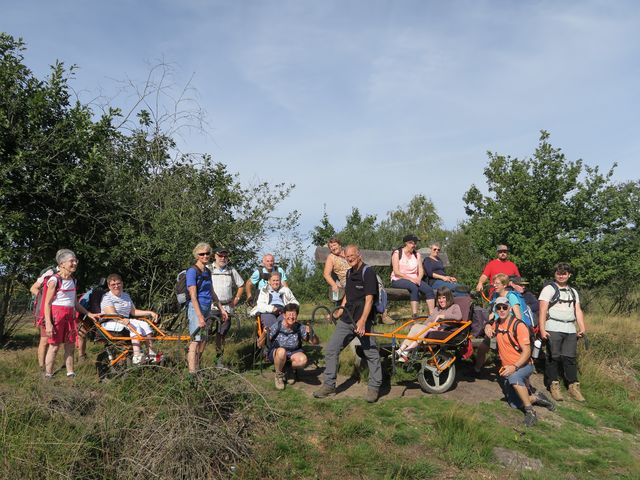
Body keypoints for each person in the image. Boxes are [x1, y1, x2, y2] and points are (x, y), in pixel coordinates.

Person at [314, 245, 382, 403]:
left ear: (359, 255)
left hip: (363, 321)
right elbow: (348, 297)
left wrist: (363, 321)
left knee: (371, 353)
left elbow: (369, 299)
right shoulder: (349, 273)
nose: (350, 258)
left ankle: (374, 387)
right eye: (347, 257)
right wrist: (338, 312)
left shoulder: (368, 272)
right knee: (331, 350)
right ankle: (329, 385)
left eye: (352, 255)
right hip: (347, 319)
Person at [484, 297, 555, 426]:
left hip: (524, 365)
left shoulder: (518, 325)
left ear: (510, 308)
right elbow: (488, 325)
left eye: (504, 307)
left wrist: (514, 367)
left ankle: (530, 412)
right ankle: (537, 397)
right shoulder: (497, 323)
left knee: (514, 378)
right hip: (508, 367)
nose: (501, 310)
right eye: (498, 308)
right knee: (514, 404)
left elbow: (527, 352)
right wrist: (487, 326)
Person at [42, 249, 98, 378]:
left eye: (75, 261)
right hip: (57, 316)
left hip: (70, 316)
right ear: (62, 264)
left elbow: (75, 303)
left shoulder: (73, 280)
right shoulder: (54, 280)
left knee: (70, 345)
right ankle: (48, 374)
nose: (75, 263)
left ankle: (70, 373)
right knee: (54, 346)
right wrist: (49, 324)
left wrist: (88, 314)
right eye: (71, 261)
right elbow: (47, 304)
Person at [470, 246, 522, 376]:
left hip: (508, 322)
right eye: (501, 251)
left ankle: (516, 373)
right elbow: (483, 276)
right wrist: (480, 283)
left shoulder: (512, 268)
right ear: (498, 253)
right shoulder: (492, 264)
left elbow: (518, 282)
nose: (503, 253)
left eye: (505, 251)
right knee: (483, 347)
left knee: (507, 348)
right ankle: (477, 370)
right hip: (495, 302)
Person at [538, 262, 586, 402]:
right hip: (553, 327)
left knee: (570, 358)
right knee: (553, 357)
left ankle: (573, 387)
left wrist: (582, 327)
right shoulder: (548, 289)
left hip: (569, 328)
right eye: (559, 273)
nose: (561, 275)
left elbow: (577, 310)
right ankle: (553, 385)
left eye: (564, 273)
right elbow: (542, 310)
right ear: (555, 274)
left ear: (569, 274)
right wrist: (542, 329)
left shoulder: (573, 292)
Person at [99, 273, 161, 365]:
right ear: (109, 286)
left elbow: (133, 312)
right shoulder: (107, 297)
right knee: (133, 325)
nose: (116, 286)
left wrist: (150, 312)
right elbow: (111, 313)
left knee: (145, 324)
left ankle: (151, 353)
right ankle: (137, 355)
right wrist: (121, 320)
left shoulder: (126, 295)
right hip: (110, 321)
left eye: (118, 283)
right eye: (113, 284)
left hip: (124, 320)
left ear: (122, 284)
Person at [186, 243, 228, 374]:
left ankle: (197, 368)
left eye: (207, 253)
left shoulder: (207, 271)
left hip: (207, 308)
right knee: (195, 341)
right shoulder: (192, 271)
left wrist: (221, 308)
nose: (205, 256)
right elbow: (193, 296)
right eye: (201, 254)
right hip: (196, 309)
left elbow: (212, 292)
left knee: (203, 340)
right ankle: (192, 374)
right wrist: (199, 317)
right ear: (196, 255)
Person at [257, 303, 319, 390]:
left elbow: (315, 342)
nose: (291, 317)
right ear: (284, 315)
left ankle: (288, 369)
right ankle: (279, 375)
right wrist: (264, 333)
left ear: (297, 315)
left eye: (294, 314)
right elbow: (260, 344)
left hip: (294, 352)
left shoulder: (299, 327)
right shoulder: (277, 326)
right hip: (277, 352)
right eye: (289, 314)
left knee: (303, 360)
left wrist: (312, 333)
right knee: (282, 351)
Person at [394, 286, 462, 362]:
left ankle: (406, 351)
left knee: (425, 329)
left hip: (445, 330)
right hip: (431, 328)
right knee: (416, 326)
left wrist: (442, 316)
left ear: (448, 298)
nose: (441, 300)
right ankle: (400, 350)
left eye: (443, 298)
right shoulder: (437, 309)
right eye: (439, 298)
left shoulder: (454, 307)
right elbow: (427, 321)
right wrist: (430, 323)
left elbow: (458, 317)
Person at [208, 247, 245, 366]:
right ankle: (196, 360)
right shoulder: (208, 269)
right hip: (210, 307)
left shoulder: (231, 270)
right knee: (204, 333)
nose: (223, 258)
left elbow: (241, 285)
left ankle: (219, 360)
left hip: (227, 308)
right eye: (220, 256)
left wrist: (236, 300)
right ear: (215, 256)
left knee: (221, 334)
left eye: (225, 256)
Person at [390, 234, 434, 317]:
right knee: (413, 287)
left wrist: (418, 278)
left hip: (415, 279)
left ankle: (432, 315)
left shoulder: (417, 255)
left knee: (429, 290)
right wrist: (411, 279)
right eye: (412, 243)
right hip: (398, 279)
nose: (414, 246)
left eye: (415, 243)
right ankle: (415, 315)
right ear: (406, 243)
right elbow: (396, 272)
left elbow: (421, 270)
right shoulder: (397, 253)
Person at [30, 262, 59, 371]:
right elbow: (33, 288)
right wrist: (44, 299)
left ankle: (48, 366)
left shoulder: (68, 276)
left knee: (55, 341)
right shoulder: (50, 273)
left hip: (58, 312)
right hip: (45, 312)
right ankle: (42, 367)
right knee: (45, 340)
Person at [322, 237, 350, 302]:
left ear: (339, 245)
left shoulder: (347, 252)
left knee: (375, 279)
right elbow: (326, 274)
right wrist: (334, 285)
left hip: (358, 275)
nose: (333, 248)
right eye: (331, 247)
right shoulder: (331, 257)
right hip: (346, 280)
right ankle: (341, 310)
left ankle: (377, 305)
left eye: (334, 245)